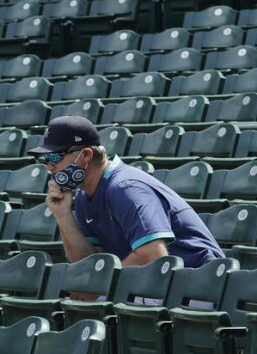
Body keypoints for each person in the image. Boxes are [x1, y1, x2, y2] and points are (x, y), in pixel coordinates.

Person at [27, 115, 224, 268]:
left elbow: (153, 256)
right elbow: (87, 263)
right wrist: (63, 216)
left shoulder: (125, 187)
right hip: (160, 287)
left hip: (200, 281)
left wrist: (102, 289)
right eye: (45, 160)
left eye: (53, 158)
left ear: (86, 155)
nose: (49, 167)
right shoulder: (83, 197)